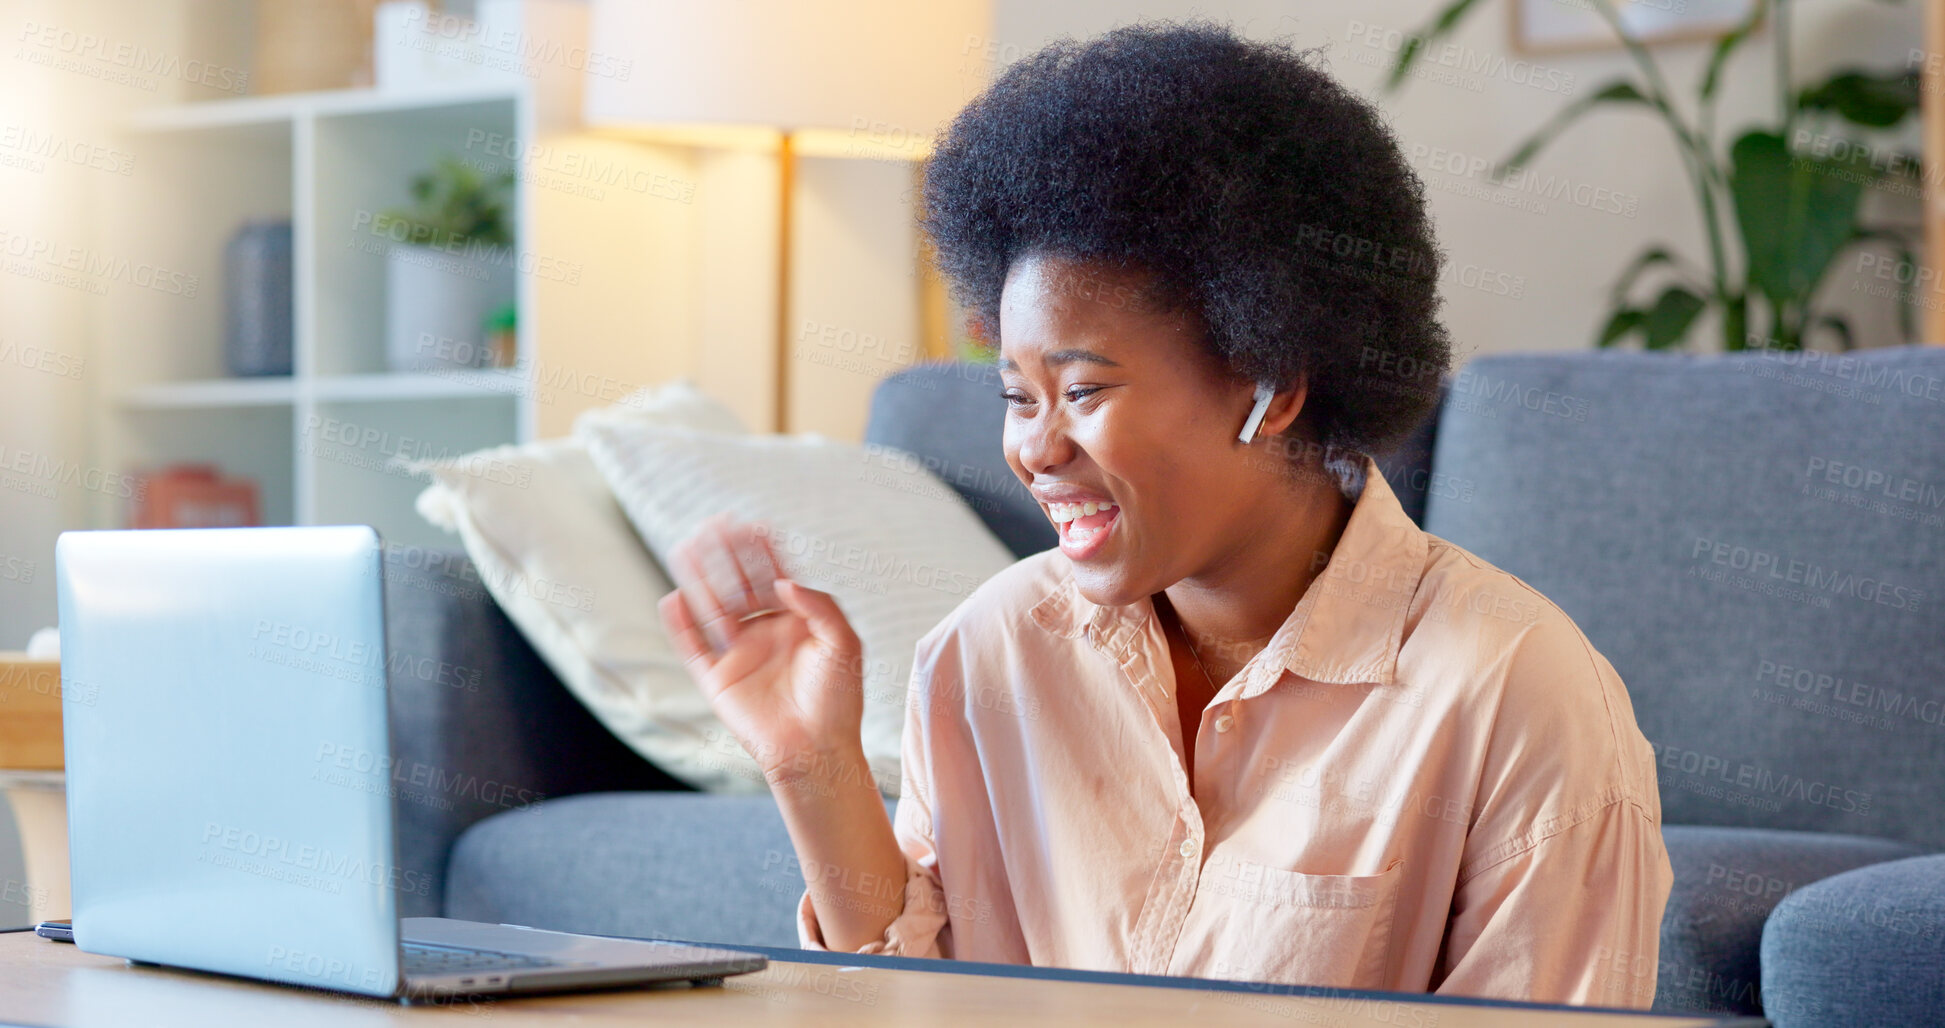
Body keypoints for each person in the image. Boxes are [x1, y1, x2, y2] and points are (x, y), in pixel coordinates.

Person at [658, 21, 1671, 1007]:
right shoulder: (988, 653)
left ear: (1270, 386)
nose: (1035, 449)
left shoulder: (1515, 693)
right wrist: (812, 763)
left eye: (1084, 390)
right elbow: (912, 995)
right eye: (1017, 394)